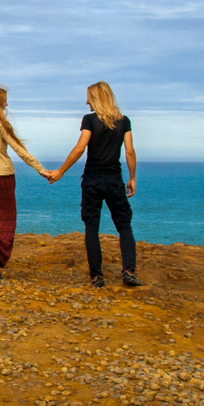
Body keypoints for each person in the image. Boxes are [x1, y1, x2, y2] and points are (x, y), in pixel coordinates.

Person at [47, 81, 143, 288]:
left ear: (97, 98)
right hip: (114, 180)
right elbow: (129, 151)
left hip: (92, 180)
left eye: (89, 97)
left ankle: (97, 276)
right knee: (124, 225)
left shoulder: (89, 120)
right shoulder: (123, 121)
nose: (86, 101)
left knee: (92, 227)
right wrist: (132, 178)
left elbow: (81, 147)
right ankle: (129, 271)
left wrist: (61, 171)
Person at [0, 86, 51, 280]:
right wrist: (42, 170)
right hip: (4, 176)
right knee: (6, 219)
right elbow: (19, 150)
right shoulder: (0, 124)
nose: (7, 104)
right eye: (4, 100)